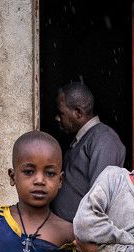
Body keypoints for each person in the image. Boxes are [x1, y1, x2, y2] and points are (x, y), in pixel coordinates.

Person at [52, 81, 127, 223]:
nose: (57, 118)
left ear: (78, 113)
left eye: (61, 113)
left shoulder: (105, 140)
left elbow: (100, 198)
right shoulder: (83, 138)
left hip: (78, 233)